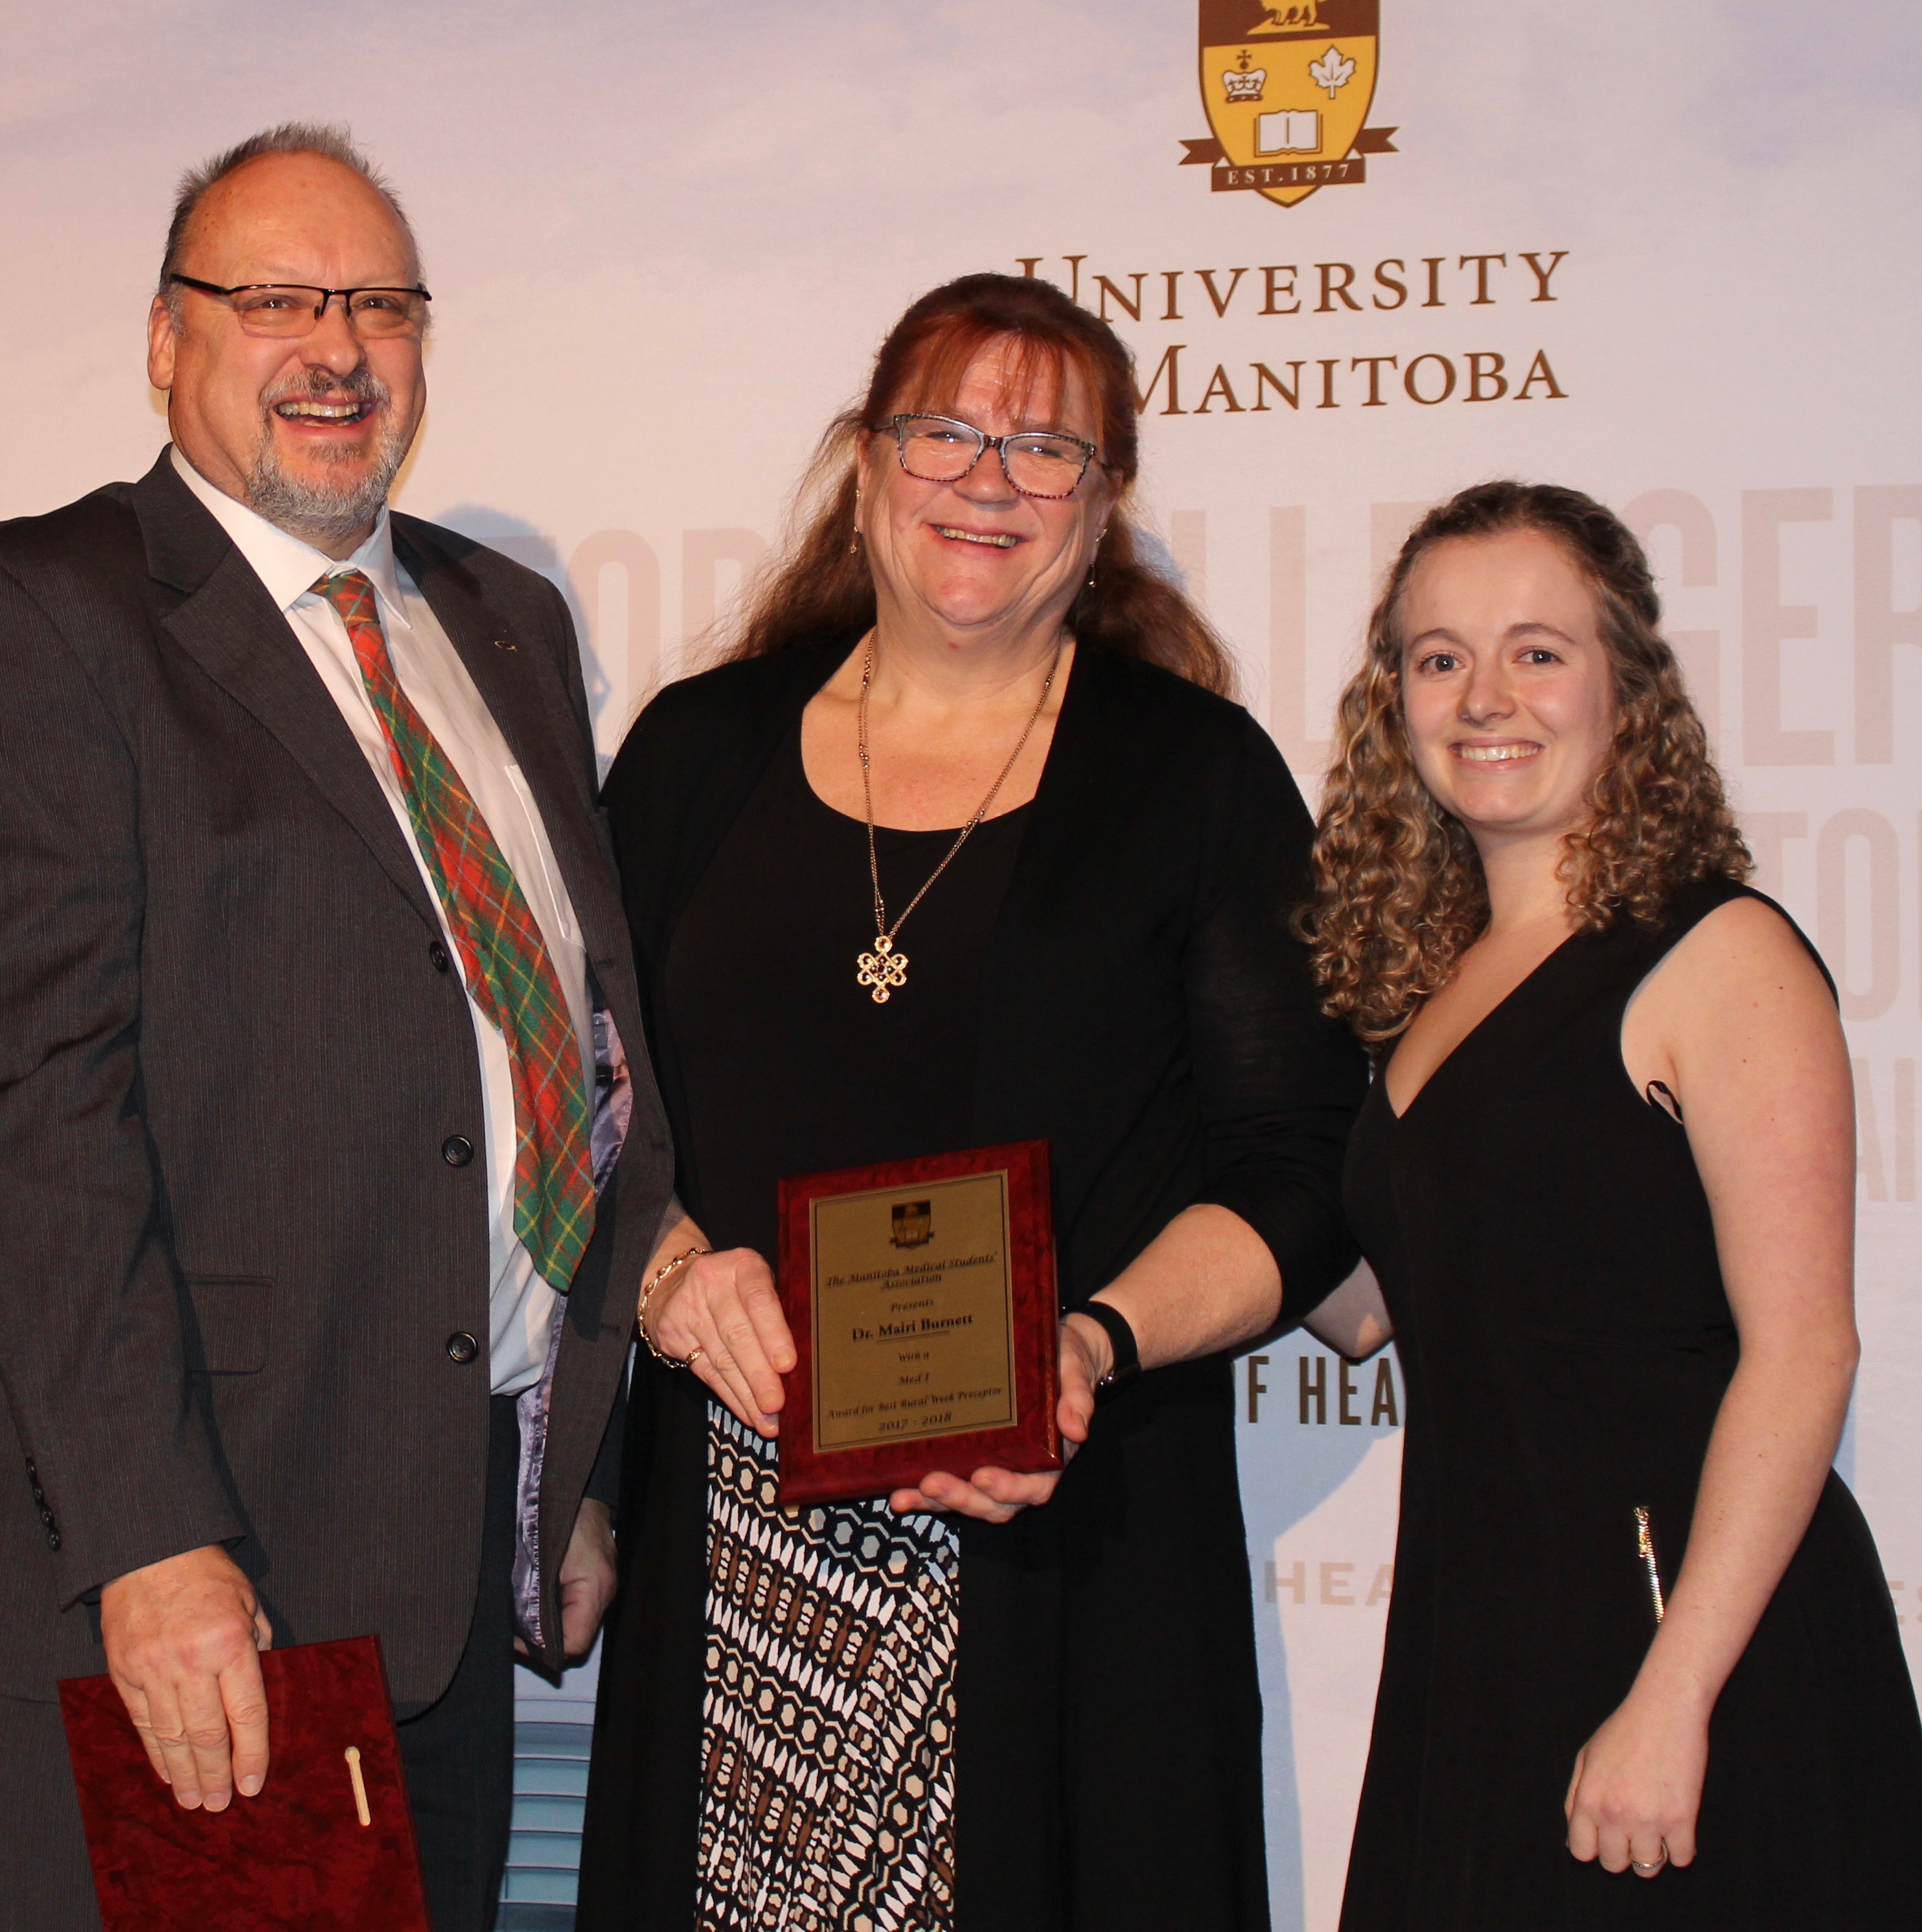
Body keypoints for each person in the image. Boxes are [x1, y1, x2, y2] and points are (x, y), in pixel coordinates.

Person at [0, 123, 669, 1932]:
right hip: (191, 1588)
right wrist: (154, 1540)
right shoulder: (38, 614)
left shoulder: (503, 621)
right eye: (277, 301)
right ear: (166, 339)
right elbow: (45, 1123)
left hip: (447, 1586)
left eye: (380, 304)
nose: (338, 347)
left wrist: (562, 1474)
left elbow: (577, 1055)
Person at [577, 273, 1367, 1931]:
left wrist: (1090, 1345)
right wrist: (666, 1278)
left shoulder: (1194, 777)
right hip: (740, 1561)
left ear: (1103, 505)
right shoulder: (694, 757)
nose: (988, 479)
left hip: (1072, 1547)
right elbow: (575, 1104)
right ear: (867, 465)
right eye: (944, 430)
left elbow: (1297, 1172)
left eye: (1045, 448)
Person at [1299, 480, 1922, 1927]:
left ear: (1627, 685)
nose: (1484, 696)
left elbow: (1806, 1352)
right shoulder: (1426, 993)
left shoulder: (1720, 954)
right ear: (1394, 702)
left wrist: (1673, 1695)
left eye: (1539, 650)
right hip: (1480, 1641)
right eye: (1439, 656)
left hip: (1685, 1643)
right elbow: (1369, 1306)